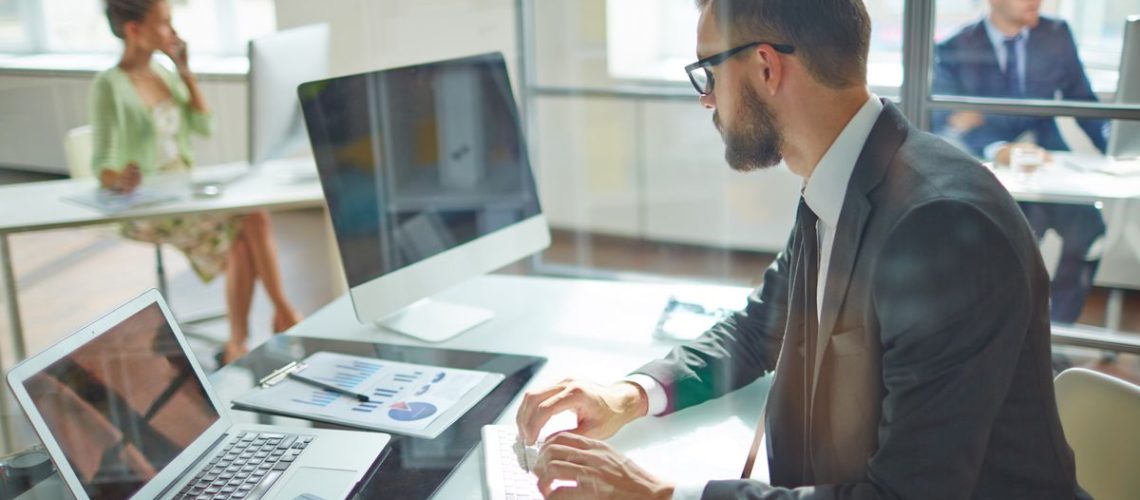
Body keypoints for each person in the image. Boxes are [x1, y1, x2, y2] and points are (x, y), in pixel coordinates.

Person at [516, 0, 1087, 498]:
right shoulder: (849, 175)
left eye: (708, 73)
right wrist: (630, 395)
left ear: (765, 66)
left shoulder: (940, 227)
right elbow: (761, 324)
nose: (706, 99)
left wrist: (664, 497)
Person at [92, 0, 302, 364]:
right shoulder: (109, 85)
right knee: (247, 228)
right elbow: (101, 164)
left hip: (183, 194)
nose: (173, 33)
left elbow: (205, 126)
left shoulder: (165, 73)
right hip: (147, 205)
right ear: (134, 30)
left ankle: (243, 340)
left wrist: (185, 72)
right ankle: (280, 316)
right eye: (164, 23)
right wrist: (122, 178)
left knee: (252, 216)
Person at [932, 0, 1109, 324]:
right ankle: (1011, 334)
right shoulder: (955, 47)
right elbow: (946, 122)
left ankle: (1057, 331)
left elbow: (1085, 104)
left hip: (1047, 163)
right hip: (994, 171)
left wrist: (1116, 143)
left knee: (1090, 231)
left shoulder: (1055, 34)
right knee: (1012, 245)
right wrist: (998, 148)